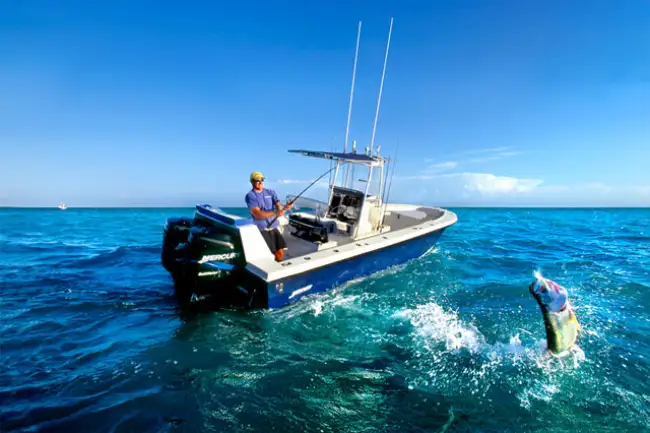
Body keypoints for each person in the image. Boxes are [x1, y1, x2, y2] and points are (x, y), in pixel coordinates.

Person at [245, 171, 293, 262]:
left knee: (280, 252)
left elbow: (279, 206)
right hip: (262, 229)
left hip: (274, 227)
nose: (260, 182)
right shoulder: (250, 196)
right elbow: (257, 214)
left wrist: (286, 207)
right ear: (252, 181)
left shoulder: (271, 192)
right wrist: (275, 213)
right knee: (270, 254)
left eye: (262, 179)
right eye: (257, 180)